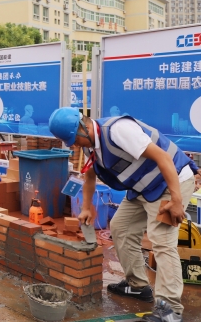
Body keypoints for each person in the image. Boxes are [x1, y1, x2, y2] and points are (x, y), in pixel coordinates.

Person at [49, 107, 198, 322]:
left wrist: (176, 200)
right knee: (121, 227)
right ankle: (138, 285)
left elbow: (163, 158)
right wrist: (86, 207)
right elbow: (90, 176)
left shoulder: (118, 131)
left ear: (84, 127)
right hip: (143, 187)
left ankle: (170, 310)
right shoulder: (90, 146)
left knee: (162, 241)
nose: (73, 145)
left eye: (73, 139)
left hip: (171, 181)